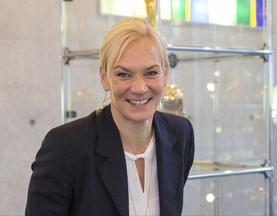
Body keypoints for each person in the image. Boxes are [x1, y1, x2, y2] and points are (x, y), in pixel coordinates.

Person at [25, 17, 194, 216]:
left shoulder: (180, 133)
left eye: (151, 73)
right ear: (104, 78)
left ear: (165, 74)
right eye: (124, 74)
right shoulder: (66, 145)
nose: (139, 88)